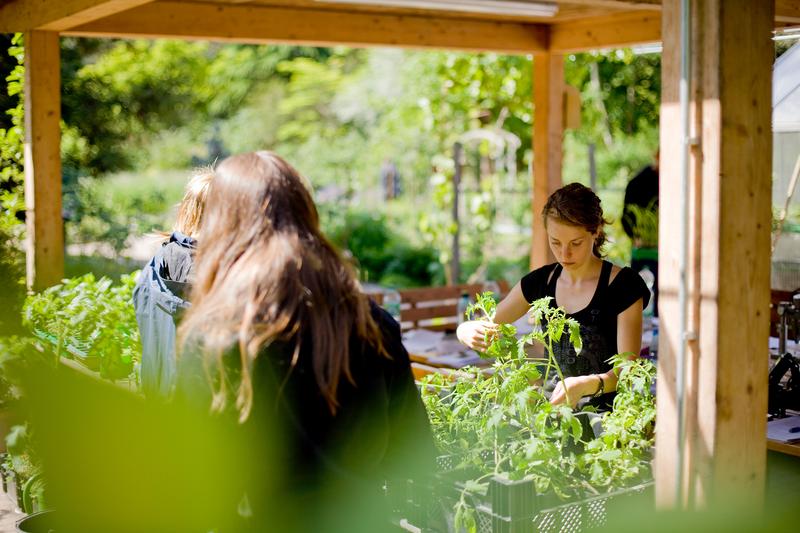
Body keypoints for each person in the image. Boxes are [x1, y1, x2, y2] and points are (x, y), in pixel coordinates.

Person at [175, 151, 435, 530]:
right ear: (308, 219)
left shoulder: (214, 337)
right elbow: (415, 456)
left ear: (222, 227)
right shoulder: (372, 325)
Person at [457, 183, 649, 409]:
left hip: (608, 419)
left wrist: (588, 384)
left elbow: (628, 371)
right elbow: (490, 325)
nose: (564, 254)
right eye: (555, 242)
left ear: (595, 231)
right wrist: (465, 330)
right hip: (553, 412)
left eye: (575, 243)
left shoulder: (623, 285)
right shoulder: (541, 282)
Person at [132, 168, 214, 398]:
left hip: (156, 390)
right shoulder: (219, 274)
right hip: (198, 404)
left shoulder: (155, 264)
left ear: (186, 209)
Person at [622, 149, 659, 316]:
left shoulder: (672, 182)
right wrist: (634, 236)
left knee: (661, 288)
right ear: (656, 157)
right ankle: (631, 317)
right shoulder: (638, 183)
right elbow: (626, 217)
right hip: (642, 243)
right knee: (634, 287)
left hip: (661, 249)